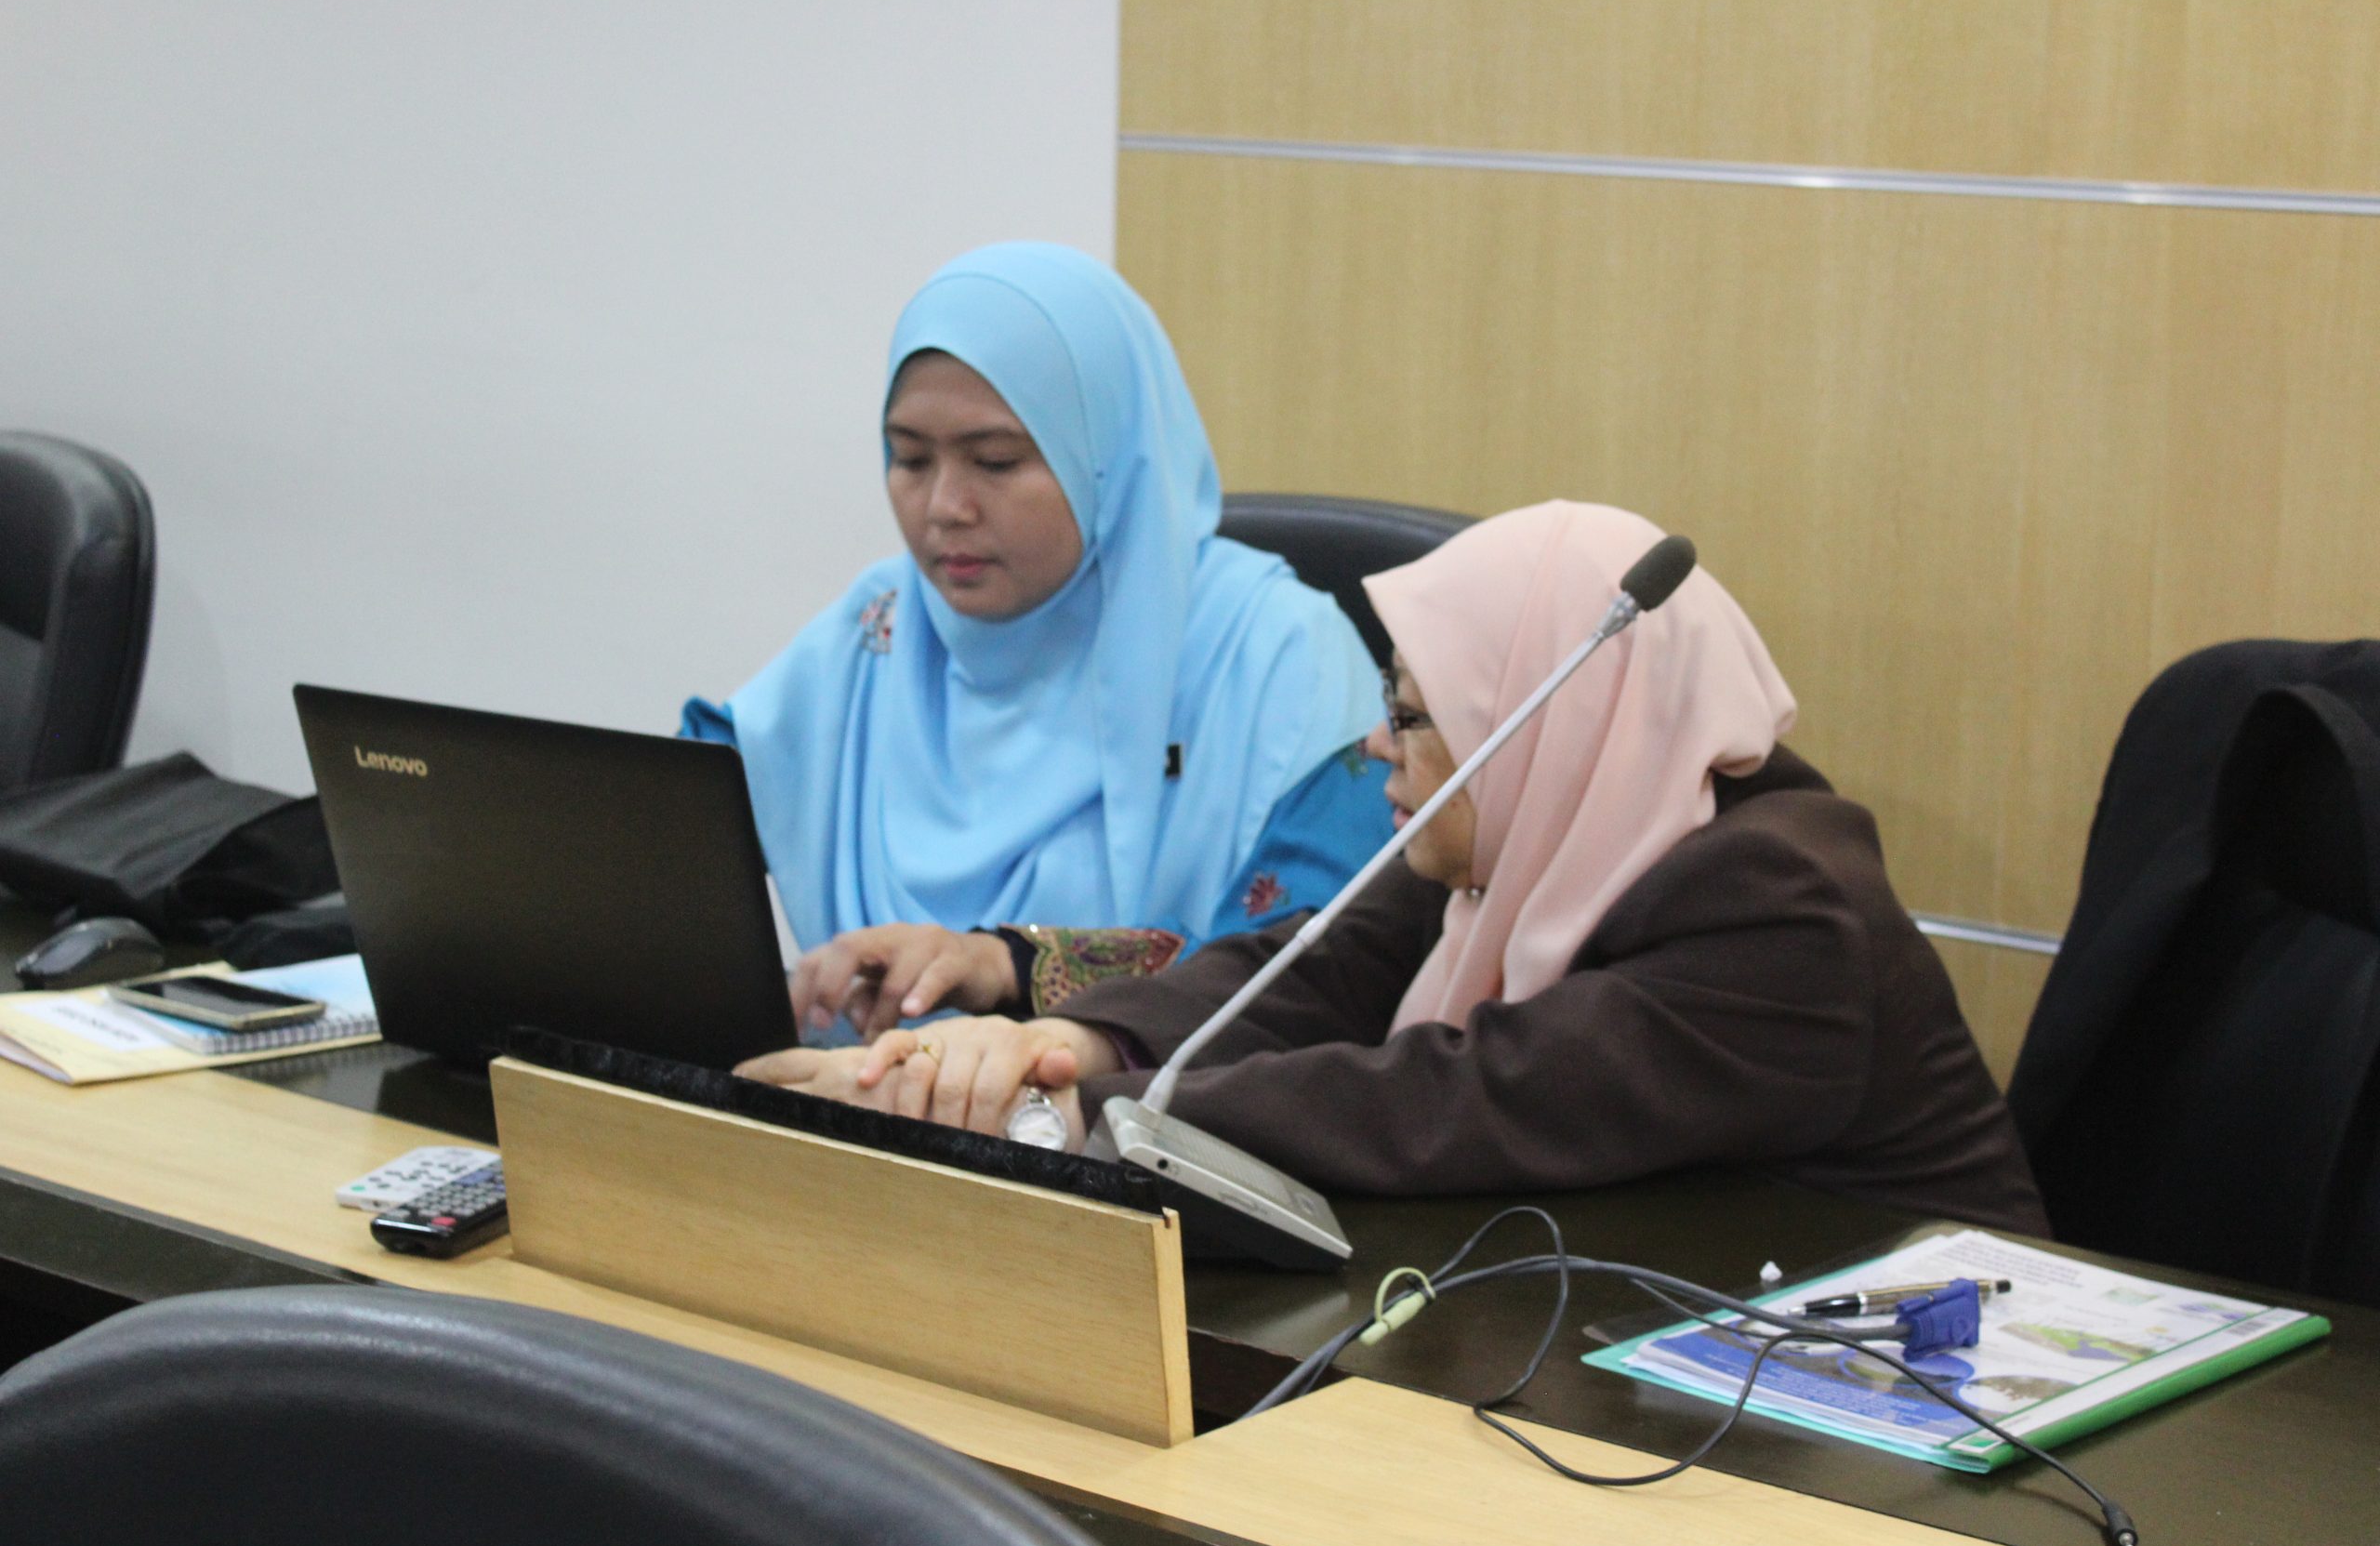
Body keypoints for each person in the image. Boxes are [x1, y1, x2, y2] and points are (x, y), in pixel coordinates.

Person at [740, 500, 2049, 1235]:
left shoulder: (1782, 914)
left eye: (1414, 714)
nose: (1376, 744)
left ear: (1546, 727)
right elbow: (1299, 975)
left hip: (1917, 1438)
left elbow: (1452, 1098)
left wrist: (1051, 1121)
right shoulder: (1535, 828)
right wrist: (1057, 1049)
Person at [685, 244, 1391, 1038]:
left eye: (995, 461)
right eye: (909, 458)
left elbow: (1323, 971)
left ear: (1107, 458)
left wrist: (1003, 964)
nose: (944, 506)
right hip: (851, 1099)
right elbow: (673, 816)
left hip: (1136, 1111)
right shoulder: (882, 628)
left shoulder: (1276, 654)